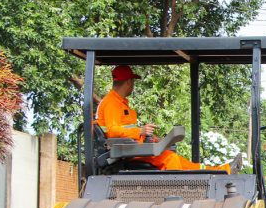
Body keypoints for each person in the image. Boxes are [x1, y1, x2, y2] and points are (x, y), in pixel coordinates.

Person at [96, 65, 235, 172]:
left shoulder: (119, 102)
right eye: (133, 81)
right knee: (170, 159)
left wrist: (149, 138)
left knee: (179, 160)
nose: (133, 85)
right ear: (128, 82)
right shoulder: (112, 104)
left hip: (133, 148)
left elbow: (125, 130)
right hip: (126, 153)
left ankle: (221, 171)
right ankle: (178, 195)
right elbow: (113, 132)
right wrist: (140, 131)